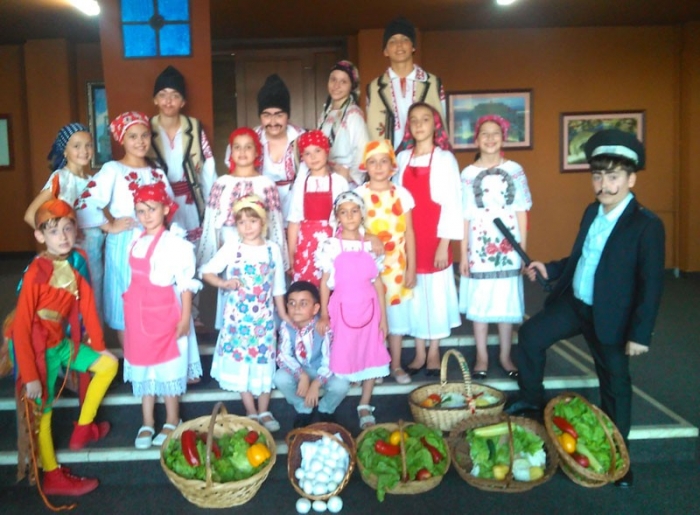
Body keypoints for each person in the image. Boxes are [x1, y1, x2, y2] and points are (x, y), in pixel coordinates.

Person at [506, 129, 665, 488]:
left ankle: (619, 458)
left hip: (612, 318)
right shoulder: (592, 211)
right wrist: (551, 268)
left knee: (615, 384)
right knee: (530, 335)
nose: (604, 185)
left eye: (613, 177)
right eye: (598, 176)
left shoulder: (647, 225)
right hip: (575, 304)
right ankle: (531, 400)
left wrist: (640, 334)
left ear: (631, 179)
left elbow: (652, 284)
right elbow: (581, 258)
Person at [9, 200, 118, 496]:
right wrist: (30, 375)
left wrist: (100, 347)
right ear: (40, 236)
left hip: (61, 344)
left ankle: (83, 427)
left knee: (108, 365)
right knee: (43, 412)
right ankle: (52, 474)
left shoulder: (77, 260)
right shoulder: (36, 271)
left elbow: (88, 308)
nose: (63, 236)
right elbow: (21, 326)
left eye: (68, 229)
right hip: (38, 350)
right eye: (54, 231)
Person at [77, 112, 175, 344]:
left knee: (155, 296)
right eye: (133, 136)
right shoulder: (113, 170)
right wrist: (109, 226)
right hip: (125, 243)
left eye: (144, 135)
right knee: (126, 298)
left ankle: (153, 356)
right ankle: (132, 359)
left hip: (156, 243)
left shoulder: (157, 172)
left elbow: (170, 206)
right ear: (122, 139)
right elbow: (86, 203)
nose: (140, 141)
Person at [123, 183, 202, 449]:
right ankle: (147, 421)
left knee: (168, 368)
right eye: (140, 210)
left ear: (166, 209)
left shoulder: (175, 244)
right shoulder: (135, 241)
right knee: (144, 369)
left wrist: (185, 317)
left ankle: (172, 418)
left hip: (165, 313)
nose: (146, 216)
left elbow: (185, 284)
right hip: (138, 316)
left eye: (152, 209)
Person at [200, 195, 289, 432]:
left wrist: (283, 315)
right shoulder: (233, 248)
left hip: (264, 320)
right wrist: (224, 283)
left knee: (263, 361)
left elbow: (278, 287)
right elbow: (207, 271)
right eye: (241, 222)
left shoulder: (272, 249)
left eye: (252, 221)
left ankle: (264, 410)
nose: (247, 227)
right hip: (237, 320)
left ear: (263, 222)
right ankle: (251, 410)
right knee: (242, 363)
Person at [459, 115, 532, 380]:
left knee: (505, 300)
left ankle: (504, 354)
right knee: (480, 301)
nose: (490, 138)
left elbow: (522, 210)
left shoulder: (515, 170)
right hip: (479, 245)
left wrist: (523, 250)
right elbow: (464, 216)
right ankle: (482, 355)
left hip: (508, 245)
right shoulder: (467, 174)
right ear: (476, 140)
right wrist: (463, 254)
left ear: (503, 138)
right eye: (485, 134)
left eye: (495, 134)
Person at [395, 102, 463, 376]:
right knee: (413, 292)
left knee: (435, 295)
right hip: (408, 235)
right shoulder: (402, 158)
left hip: (434, 234)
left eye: (425, 119)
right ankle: (419, 350)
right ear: (408, 126)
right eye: (414, 120)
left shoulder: (445, 159)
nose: (419, 124)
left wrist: (444, 243)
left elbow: (453, 203)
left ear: (435, 125)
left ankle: (434, 349)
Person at [198, 127, 288, 329]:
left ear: (257, 152)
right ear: (230, 152)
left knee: (259, 290)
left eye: (248, 147)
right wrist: (212, 251)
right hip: (229, 244)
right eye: (237, 147)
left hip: (260, 246)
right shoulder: (221, 183)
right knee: (233, 291)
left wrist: (279, 257)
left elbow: (274, 223)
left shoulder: (266, 184)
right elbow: (211, 223)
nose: (242, 152)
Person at [315, 191, 391, 429]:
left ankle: (364, 403)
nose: (349, 216)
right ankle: (340, 395)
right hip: (343, 309)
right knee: (346, 350)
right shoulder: (330, 246)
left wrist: (384, 318)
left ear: (362, 214)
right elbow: (324, 282)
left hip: (369, 308)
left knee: (371, 351)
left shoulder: (370, 244)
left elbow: (377, 283)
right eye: (343, 212)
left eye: (354, 211)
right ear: (337, 217)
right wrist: (324, 314)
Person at [24, 123, 106, 321]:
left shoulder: (94, 180)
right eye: (76, 146)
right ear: (65, 151)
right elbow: (31, 214)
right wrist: (55, 239)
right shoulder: (60, 178)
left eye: (88, 145)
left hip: (94, 253)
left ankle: (93, 340)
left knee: (93, 303)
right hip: (70, 254)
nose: (84, 151)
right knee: (71, 304)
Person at [355, 140, 416, 385]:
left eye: (384, 161)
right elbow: (348, 228)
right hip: (367, 268)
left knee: (395, 317)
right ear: (365, 166)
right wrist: (369, 237)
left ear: (392, 166)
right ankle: (375, 365)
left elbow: (409, 232)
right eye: (373, 162)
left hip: (397, 267)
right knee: (372, 316)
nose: (379, 167)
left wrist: (411, 268)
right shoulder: (358, 195)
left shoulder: (402, 194)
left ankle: (396, 364)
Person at [148, 65, 217, 244]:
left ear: (183, 102)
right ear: (155, 99)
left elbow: (208, 169)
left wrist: (212, 206)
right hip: (158, 205)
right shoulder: (146, 129)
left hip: (190, 202)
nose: (168, 101)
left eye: (175, 95)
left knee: (194, 249)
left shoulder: (194, 128)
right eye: (162, 94)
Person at [226, 74, 305, 220]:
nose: (273, 122)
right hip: (256, 206)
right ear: (260, 116)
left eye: (279, 115)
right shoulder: (249, 139)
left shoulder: (301, 138)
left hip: (295, 205)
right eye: (267, 115)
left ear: (287, 115)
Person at [274, 281, 351, 428]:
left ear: (315, 308)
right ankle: (303, 408)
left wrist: (316, 384)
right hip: (300, 369)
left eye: (303, 303)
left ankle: (326, 409)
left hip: (323, 369)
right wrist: (301, 375)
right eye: (292, 303)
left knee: (341, 385)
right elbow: (283, 356)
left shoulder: (323, 327)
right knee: (280, 377)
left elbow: (330, 360)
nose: (296, 308)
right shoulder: (286, 326)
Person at [366, 16, 446, 150]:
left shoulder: (433, 83)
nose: (399, 44)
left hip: (425, 157)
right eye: (392, 41)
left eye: (405, 39)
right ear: (385, 51)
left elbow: (442, 123)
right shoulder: (374, 88)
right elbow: (370, 133)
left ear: (413, 47)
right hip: (387, 159)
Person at [287, 130, 349, 286]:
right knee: (307, 286)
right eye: (307, 153)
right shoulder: (301, 184)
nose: (313, 157)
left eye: (317, 151)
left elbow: (347, 218)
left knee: (331, 283)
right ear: (302, 157)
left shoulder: (339, 182)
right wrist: (291, 254)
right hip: (305, 244)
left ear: (326, 151)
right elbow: (294, 221)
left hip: (332, 241)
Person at [318, 60, 369, 187]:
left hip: (345, 180)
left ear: (352, 86)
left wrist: (352, 176)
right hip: (326, 176)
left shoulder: (353, 114)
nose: (336, 85)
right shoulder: (326, 113)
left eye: (343, 82)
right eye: (333, 79)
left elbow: (363, 148)